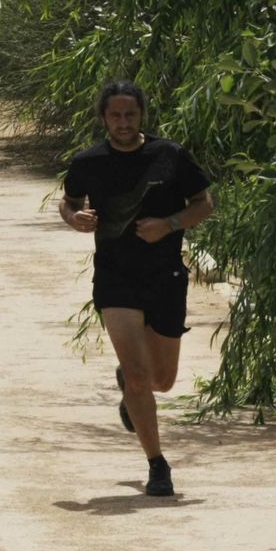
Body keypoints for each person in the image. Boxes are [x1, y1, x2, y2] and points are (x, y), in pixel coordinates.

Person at [60, 80, 214, 496]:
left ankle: (130, 390)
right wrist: (75, 218)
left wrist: (169, 225)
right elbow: (69, 200)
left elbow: (203, 203)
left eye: (130, 114)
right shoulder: (88, 161)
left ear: (141, 115)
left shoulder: (169, 155)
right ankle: (157, 465)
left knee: (161, 380)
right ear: (104, 118)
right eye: (115, 115)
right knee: (139, 375)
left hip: (165, 277)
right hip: (116, 276)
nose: (123, 123)